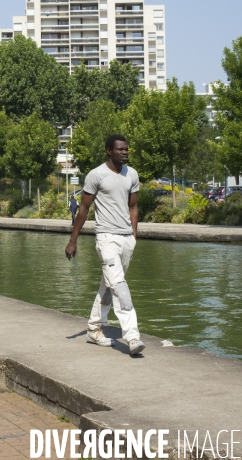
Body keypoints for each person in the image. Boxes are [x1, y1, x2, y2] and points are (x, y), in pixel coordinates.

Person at [64, 134, 145, 357]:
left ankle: (94, 328)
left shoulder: (132, 174)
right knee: (120, 287)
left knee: (109, 286)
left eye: (127, 149)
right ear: (109, 150)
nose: (125, 152)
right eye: (120, 149)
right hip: (106, 238)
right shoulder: (96, 175)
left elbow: (133, 207)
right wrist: (73, 240)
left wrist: (134, 236)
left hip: (126, 239)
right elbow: (83, 209)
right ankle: (132, 336)